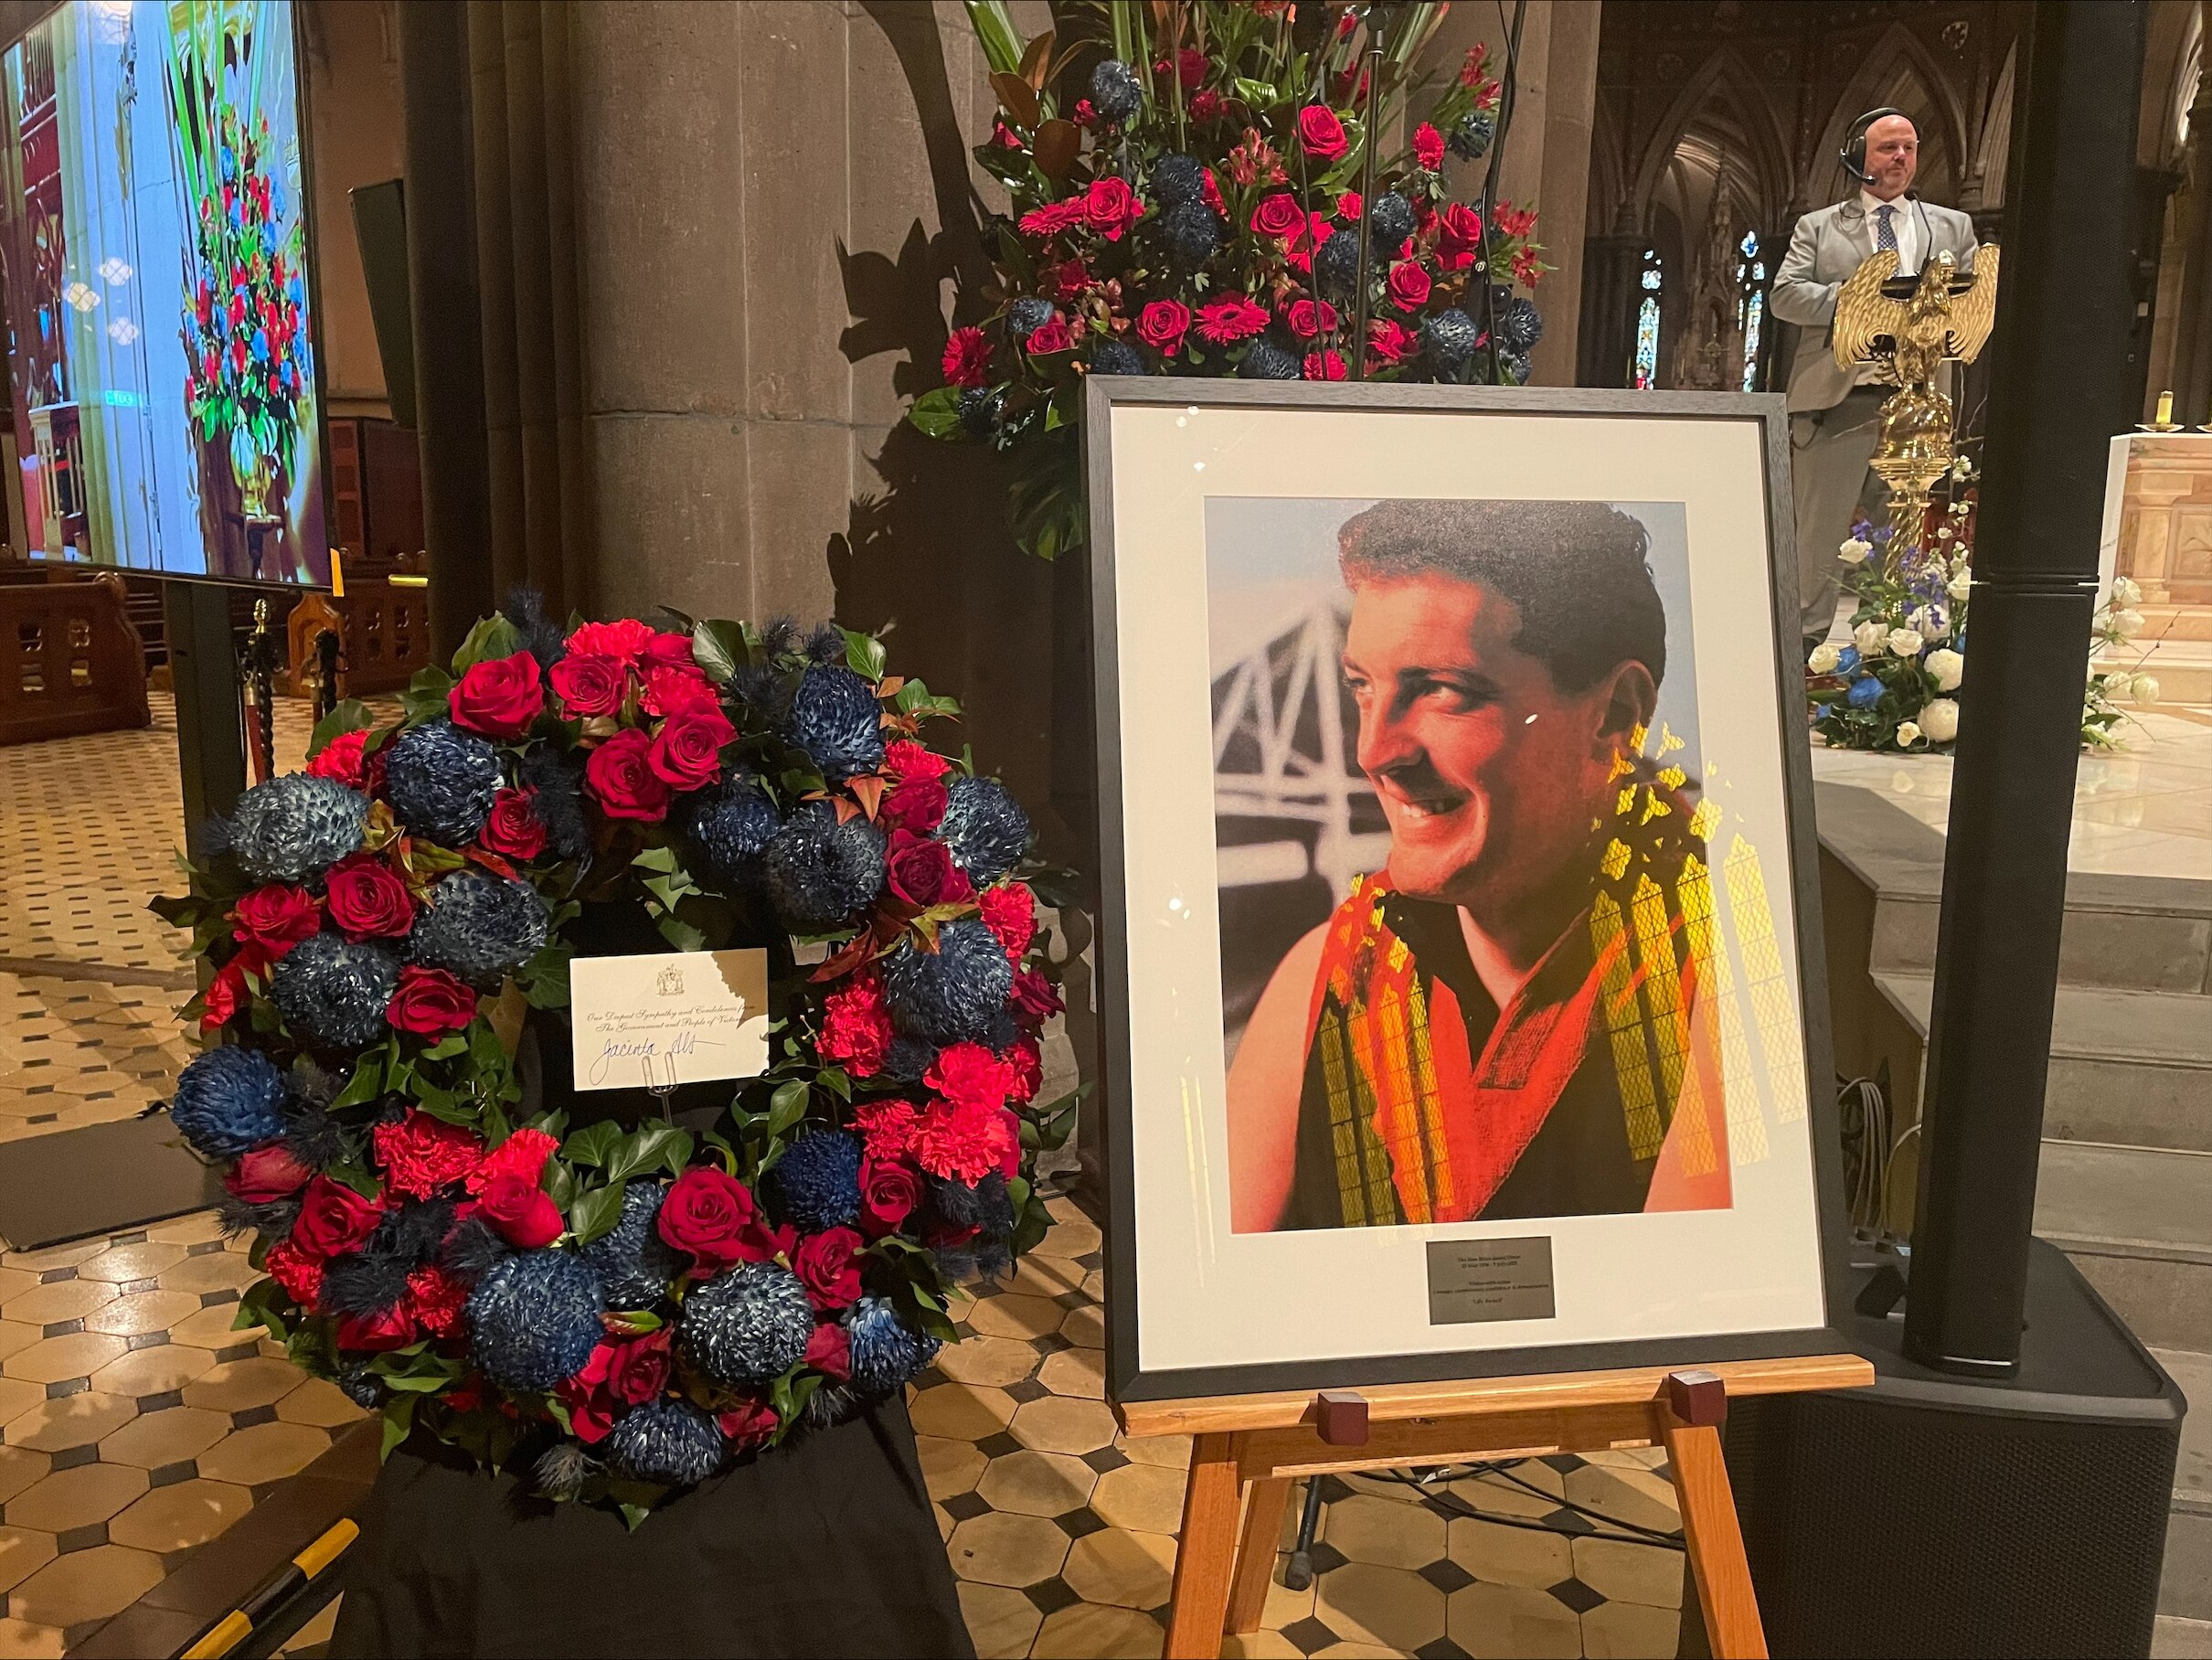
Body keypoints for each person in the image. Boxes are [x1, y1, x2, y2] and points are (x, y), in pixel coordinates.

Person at [1225, 499, 1732, 1234]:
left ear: (1616, 713)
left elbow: (1695, 1332)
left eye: (1444, 692)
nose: (1374, 752)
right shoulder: (1333, 970)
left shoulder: (1723, 977)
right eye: (1361, 687)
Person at [1770, 111, 1978, 656]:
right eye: (1888, 148)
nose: (1901, 158)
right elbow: (1784, 296)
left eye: (1909, 147)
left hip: (1917, 401)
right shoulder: (1819, 227)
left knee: (1901, 543)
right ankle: (1798, 657)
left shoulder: (1952, 226)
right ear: (1857, 155)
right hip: (1838, 400)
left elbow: (1973, 300)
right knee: (1816, 541)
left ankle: (1886, 654)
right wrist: (1856, 299)